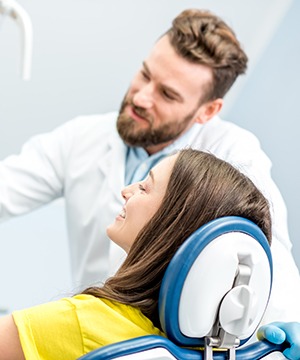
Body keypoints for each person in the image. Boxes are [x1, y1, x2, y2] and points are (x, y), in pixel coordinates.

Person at [1, 8, 300, 323]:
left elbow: (269, 260)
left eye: (167, 95)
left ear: (208, 110)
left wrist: (288, 324)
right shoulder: (83, 138)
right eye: (145, 75)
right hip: (90, 323)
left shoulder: (234, 154)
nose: (141, 97)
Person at [0, 149, 299, 360]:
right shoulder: (214, 353)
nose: (126, 190)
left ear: (173, 224)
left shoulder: (85, 321)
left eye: (144, 187)